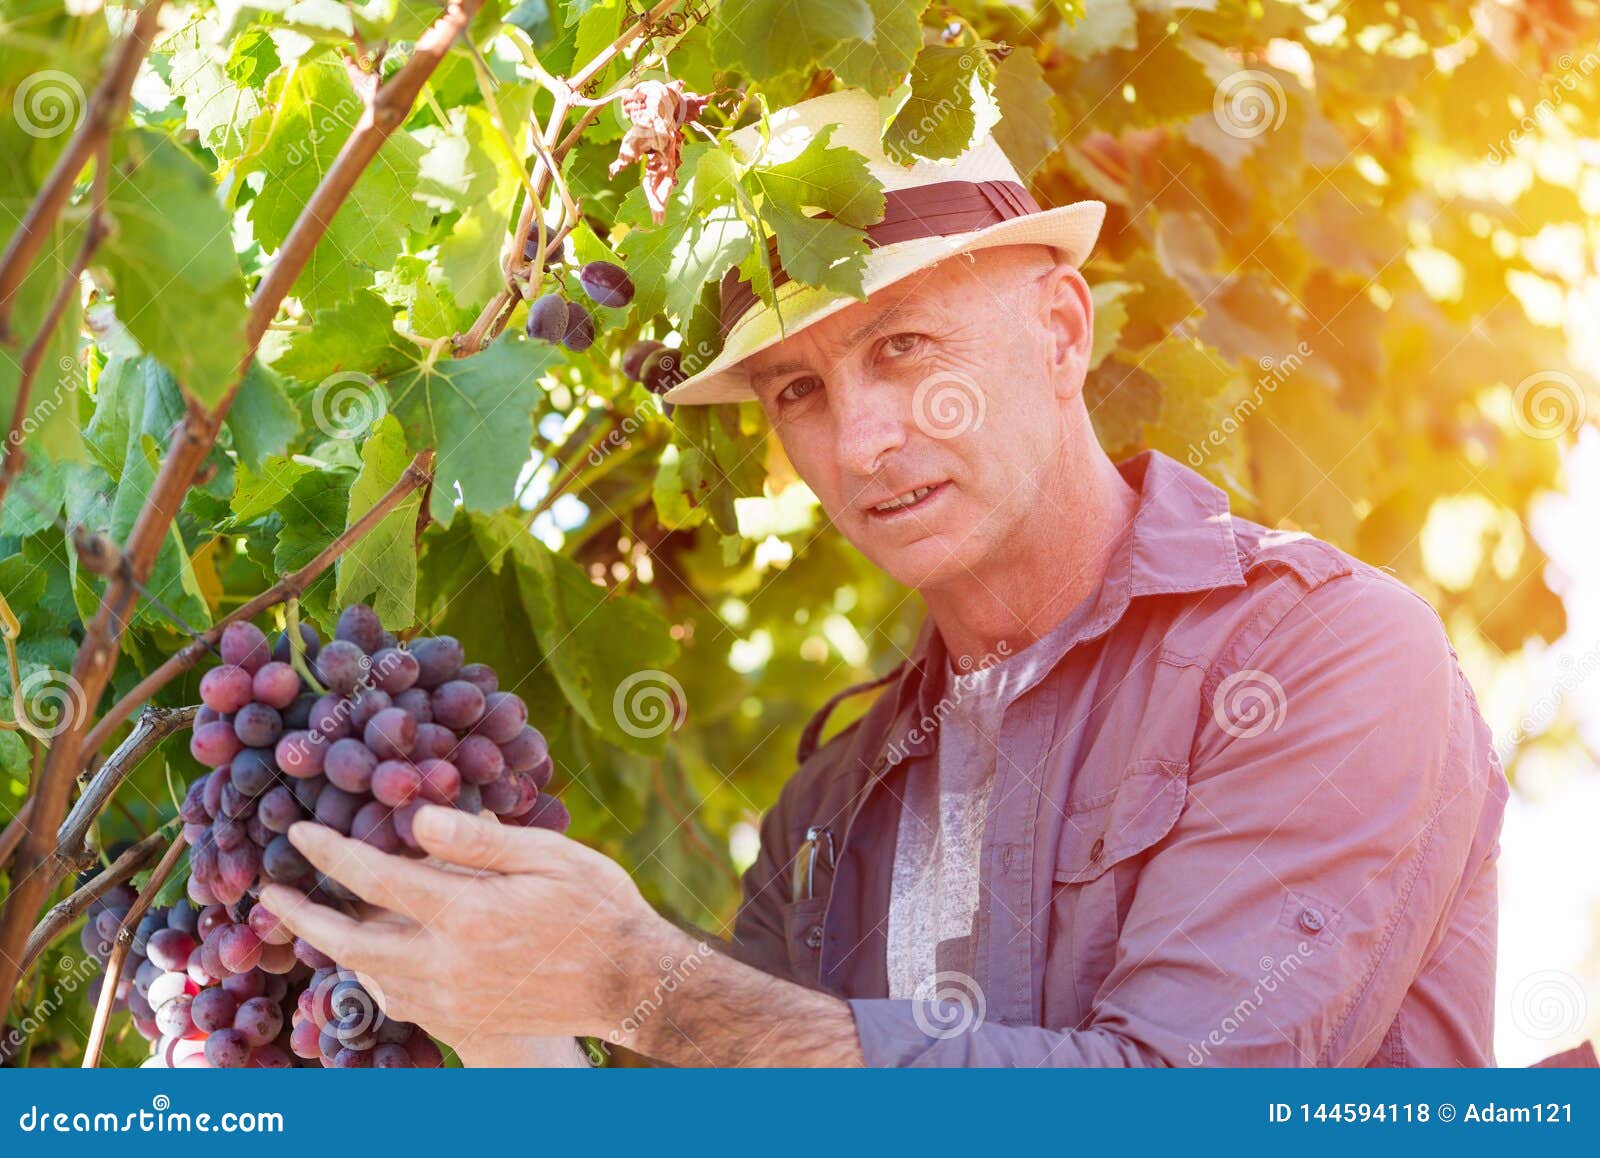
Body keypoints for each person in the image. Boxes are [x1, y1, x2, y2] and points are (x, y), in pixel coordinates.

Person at [262, 89, 1507, 1067]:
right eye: (800, 392)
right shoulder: (827, 811)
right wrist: (511, 1022)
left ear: (1060, 332)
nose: (860, 444)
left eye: (903, 350)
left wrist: (638, 983)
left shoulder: (1322, 660)